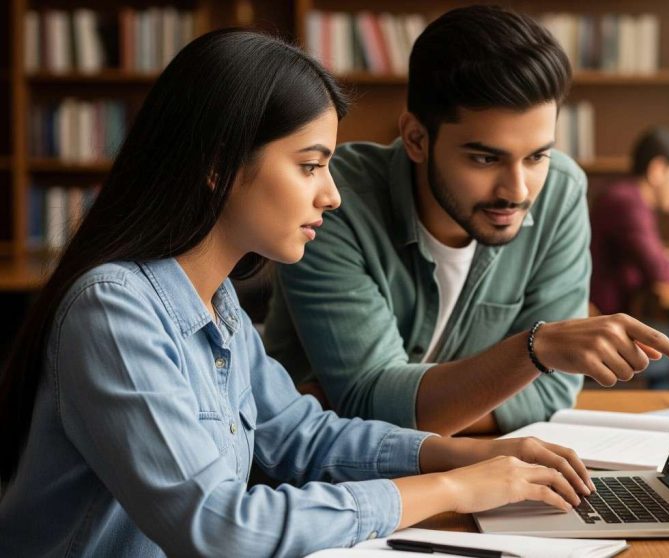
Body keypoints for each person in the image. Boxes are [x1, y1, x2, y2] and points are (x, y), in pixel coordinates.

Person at [0, 30, 596, 557]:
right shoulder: (114, 310)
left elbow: (300, 435)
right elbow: (218, 528)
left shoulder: (217, 303)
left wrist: (453, 455)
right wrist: (452, 489)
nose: (332, 196)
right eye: (310, 166)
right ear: (218, 164)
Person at [264, 6, 669, 436]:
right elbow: (370, 401)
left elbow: (553, 393)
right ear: (416, 138)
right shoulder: (333, 202)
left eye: (537, 156)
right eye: (486, 158)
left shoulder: (560, 192)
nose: (519, 190)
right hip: (321, 479)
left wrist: (406, 406)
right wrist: (532, 353)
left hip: (463, 467)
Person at [589, 127, 669, 389]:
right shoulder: (627, 202)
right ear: (658, 170)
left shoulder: (628, 197)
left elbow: (647, 256)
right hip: (600, 324)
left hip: (610, 318)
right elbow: (658, 270)